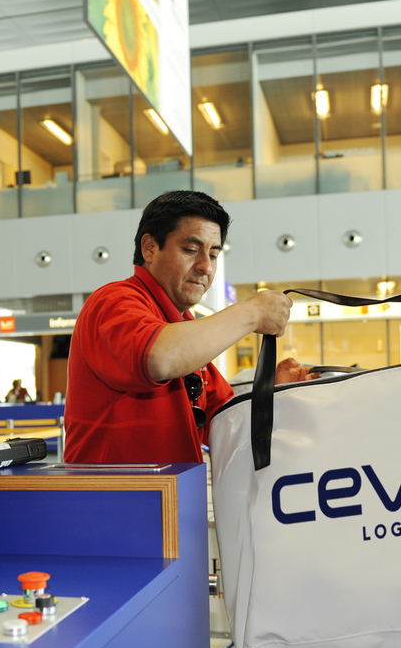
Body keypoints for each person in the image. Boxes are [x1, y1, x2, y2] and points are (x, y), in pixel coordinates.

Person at [64, 190, 311, 463]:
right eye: (191, 250)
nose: (206, 267)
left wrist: (276, 394)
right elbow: (159, 358)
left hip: (175, 489)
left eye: (213, 255)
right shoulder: (113, 301)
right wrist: (252, 312)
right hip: (115, 491)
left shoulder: (186, 331)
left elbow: (227, 425)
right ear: (150, 248)